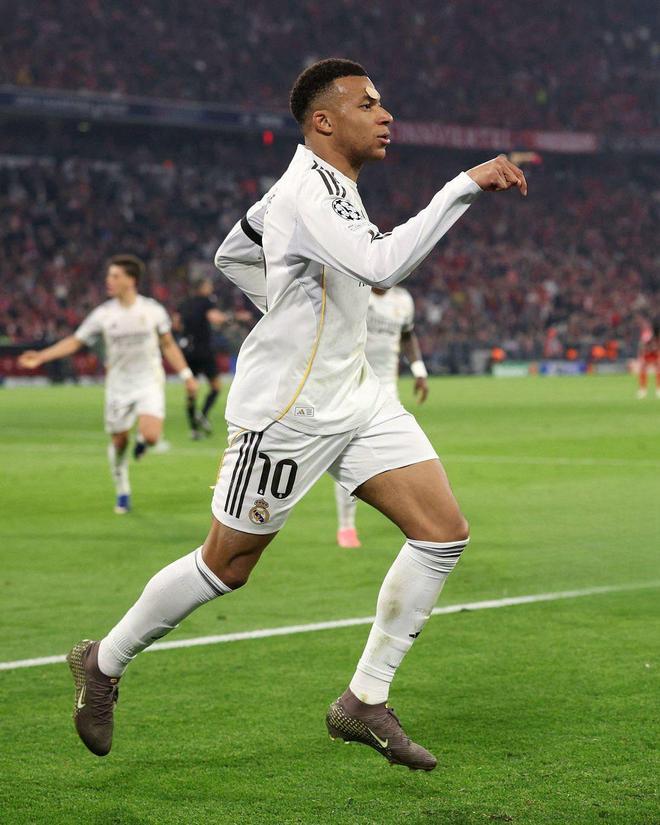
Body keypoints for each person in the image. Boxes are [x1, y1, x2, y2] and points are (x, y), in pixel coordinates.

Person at [66, 59, 526, 770]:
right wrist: (463, 185)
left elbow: (233, 252)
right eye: (367, 104)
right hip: (290, 408)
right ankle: (103, 660)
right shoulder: (309, 190)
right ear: (323, 121)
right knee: (227, 564)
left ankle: (364, 700)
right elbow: (380, 265)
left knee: (441, 532)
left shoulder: (324, 188)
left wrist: (286, 304)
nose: (385, 115)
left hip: (358, 395)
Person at [19, 254, 198, 513]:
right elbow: (76, 341)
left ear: (131, 280)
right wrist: (41, 356)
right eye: (109, 276)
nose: (108, 280)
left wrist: (186, 375)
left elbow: (168, 345)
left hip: (148, 380)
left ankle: (142, 442)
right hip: (118, 386)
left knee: (151, 436)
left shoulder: (152, 311)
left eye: (115, 276)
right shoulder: (103, 314)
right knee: (119, 443)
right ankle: (122, 487)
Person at [335, 286, 429, 547]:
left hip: (387, 389)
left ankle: (412, 517)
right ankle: (346, 526)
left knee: (406, 454)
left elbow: (407, 335)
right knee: (349, 455)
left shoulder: (403, 299)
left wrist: (419, 371)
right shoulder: (356, 291)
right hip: (352, 384)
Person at [174, 276, 226, 439]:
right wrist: (229, 318)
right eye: (208, 286)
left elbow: (176, 324)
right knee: (216, 386)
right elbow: (214, 318)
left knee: (191, 389)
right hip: (204, 350)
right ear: (202, 288)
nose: (210, 288)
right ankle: (202, 414)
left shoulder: (183, 303)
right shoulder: (206, 301)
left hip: (187, 351)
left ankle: (194, 429)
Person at [636, 321, 659, 399]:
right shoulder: (647, 334)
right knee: (643, 371)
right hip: (647, 354)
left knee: (658, 370)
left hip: (655, 354)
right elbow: (642, 345)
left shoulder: (656, 336)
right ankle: (643, 390)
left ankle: (658, 390)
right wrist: (641, 355)